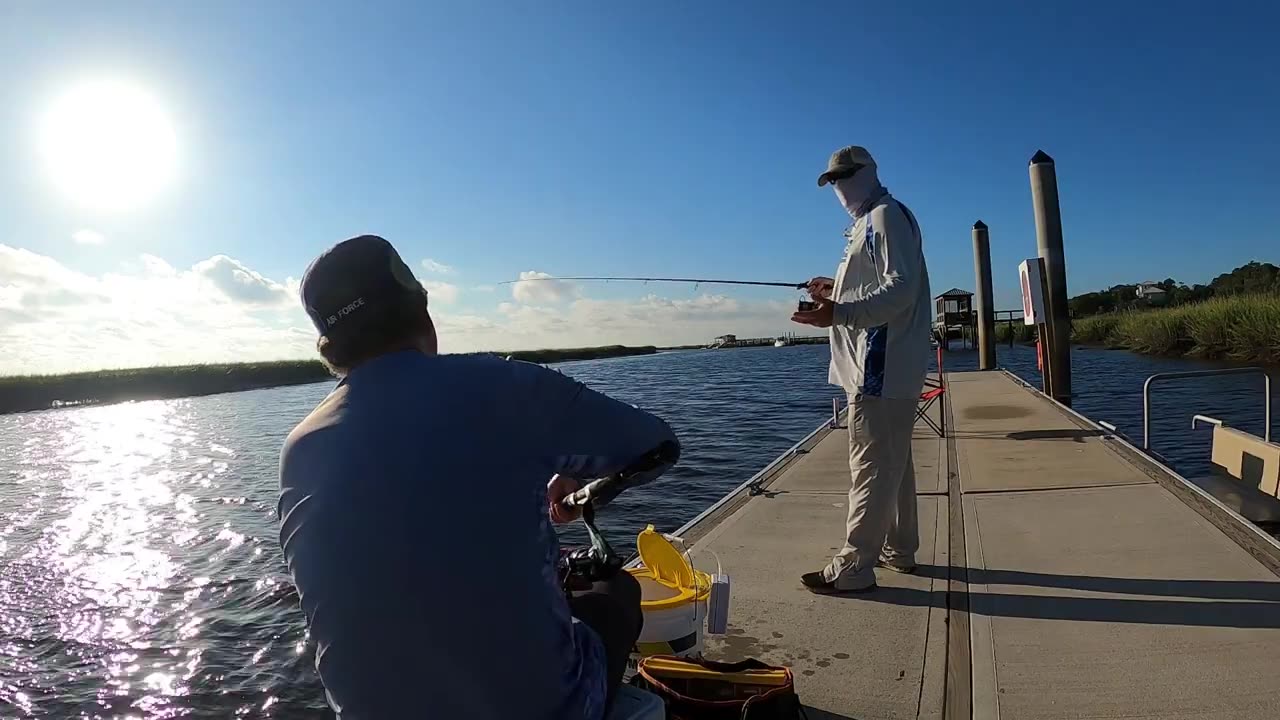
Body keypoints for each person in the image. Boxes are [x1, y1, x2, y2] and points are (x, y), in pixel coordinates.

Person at [276, 234, 680, 720]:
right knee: (615, 591)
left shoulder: (299, 447)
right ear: (422, 314)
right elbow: (658, 446)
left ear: (330, 348)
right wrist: (584, 488)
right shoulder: (505, 385)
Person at [791, 146, 932, 593]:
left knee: (871, 464)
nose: (839, 185)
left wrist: (839, 314)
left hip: (880, 369)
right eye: (833, 179)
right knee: (894, 463)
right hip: (888, 369)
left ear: (869, 172)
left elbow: (901, 287)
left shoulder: (883, 216)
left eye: (846, 175)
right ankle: (899, 550)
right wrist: (835, 290)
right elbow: (878, 283)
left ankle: (854, 566)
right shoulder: (870, 222)